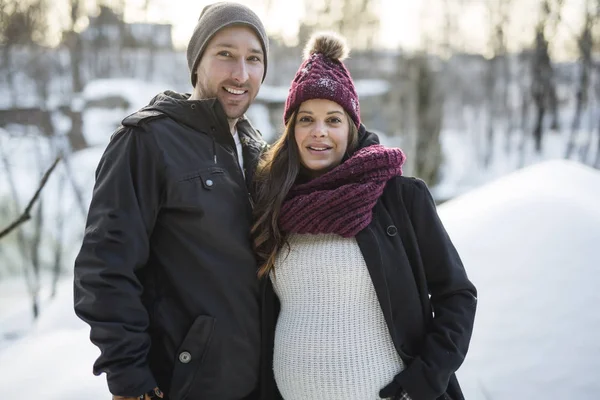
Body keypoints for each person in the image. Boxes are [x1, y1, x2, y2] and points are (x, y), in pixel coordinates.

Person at [252, 32, 477, 400]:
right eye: (306, 118)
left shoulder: (398, 197)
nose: (319, 132)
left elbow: (458, 296)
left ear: (351, 127)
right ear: (291, 128)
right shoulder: (274, 201)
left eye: (333, 119)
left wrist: (421, 383)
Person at [73, 3, 269, 399]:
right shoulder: (147, 141)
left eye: (254, 58)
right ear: (197, 62)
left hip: (258, 384)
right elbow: (105, 268)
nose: (241, 74)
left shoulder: (257, 151)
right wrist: (129, 378)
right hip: (180, 384)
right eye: (225, 55)